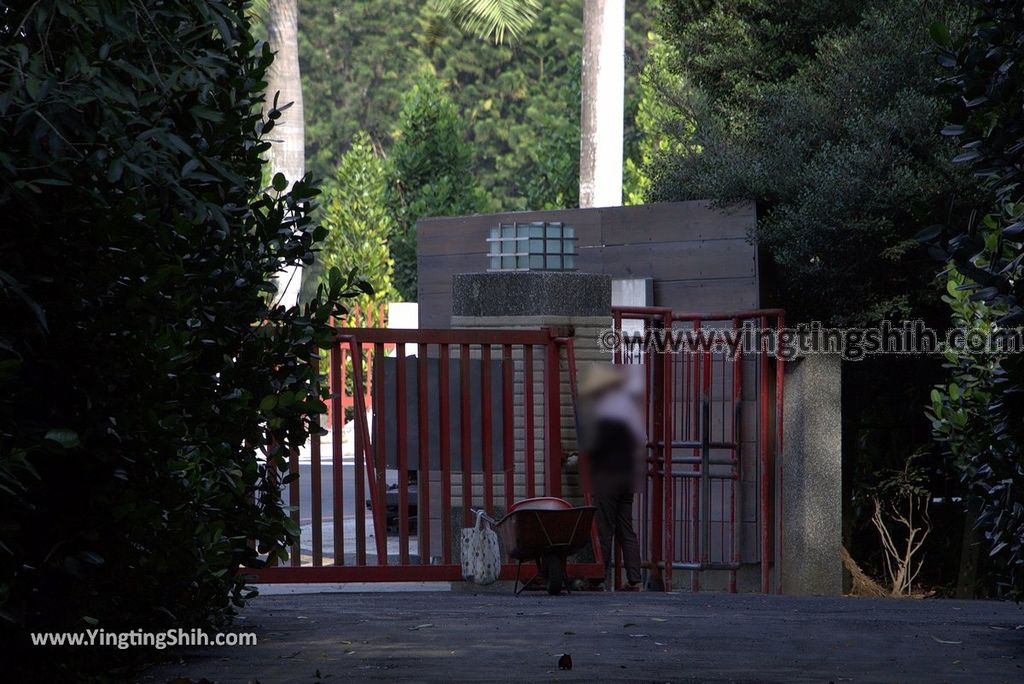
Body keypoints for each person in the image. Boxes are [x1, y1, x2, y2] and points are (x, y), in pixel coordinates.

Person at [579, 363, 645, 591]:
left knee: (604, 528)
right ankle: (635, 578)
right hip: (628, 477)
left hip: (608, 477)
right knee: (626, 529)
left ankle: (597, 578)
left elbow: (594, 447)